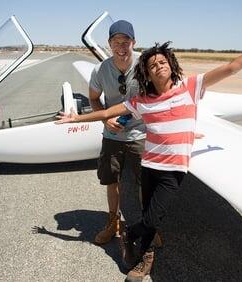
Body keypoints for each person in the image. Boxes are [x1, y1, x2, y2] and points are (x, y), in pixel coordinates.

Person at [58, 10, 242, 281]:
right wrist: (76, 118)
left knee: (151, 215)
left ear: (168, 62)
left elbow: (232, 67)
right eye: (153, 64)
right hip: (149, 162)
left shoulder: (190, 87)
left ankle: (133, 233)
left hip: (167, 166)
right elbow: (105, 111)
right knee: (136, 201)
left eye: (162, 62)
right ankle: (135, 244)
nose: (158, 66)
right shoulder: (142, 100)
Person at [88, 19, 146, 245]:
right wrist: (105, 119)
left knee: (144, 183)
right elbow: (93, 99)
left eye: (126, 41)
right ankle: (113, 223)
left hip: (139, 135)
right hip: (112, 136)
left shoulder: (145, 65)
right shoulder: (100, 69)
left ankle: (147, 227)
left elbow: (164, 95)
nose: (121, 47)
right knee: (111, 182)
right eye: (116, 42)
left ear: (134, 42)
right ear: (109, 43)